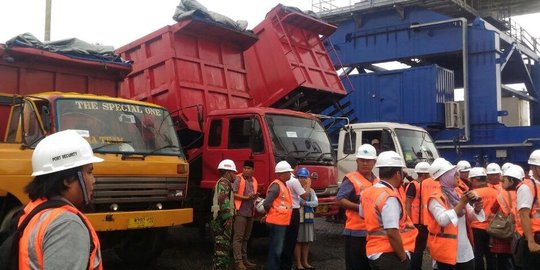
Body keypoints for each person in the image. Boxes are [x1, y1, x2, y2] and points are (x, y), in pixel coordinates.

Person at [19, 130, 103, 269]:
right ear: (68, 180)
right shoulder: (66, 224)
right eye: (89, 172)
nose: (93, 180)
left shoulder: (34, 211)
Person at [360, 151, 418, 270]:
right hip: (389, 254)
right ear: (398, 173)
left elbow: (362, 214)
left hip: (374, 251)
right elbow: (392, 232)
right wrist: (402, 257)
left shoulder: (367, 191)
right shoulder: (389, 197)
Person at [426, 158, 485, 270]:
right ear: (445, 177)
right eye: (454, 174)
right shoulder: (435, 198)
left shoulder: (458, 193)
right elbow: (442, 220)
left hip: (465, 251)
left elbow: (469, 215)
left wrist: (477, 209)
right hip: (446, 253)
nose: (458, 177)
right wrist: (462, 203)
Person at [336, 144, 378, 270]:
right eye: (362, 160)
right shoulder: (351, 179)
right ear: (357, 161)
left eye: (368, 160)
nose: (365, 163)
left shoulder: (377, 181)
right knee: (356, 265)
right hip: (355, 232)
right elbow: (339, 199)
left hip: (373, 231)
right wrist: (359, 208)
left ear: (374, 162)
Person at [263, 161, 294, 270]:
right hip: (277, 222)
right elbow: (266, 203)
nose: (290, 174)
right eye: (288, 172)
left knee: (276, 248)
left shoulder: (283, 185)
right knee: (276, 249)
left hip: (280, 222)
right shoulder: (277, 186)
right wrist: (270, 214)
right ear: (281, 174)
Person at [492, 165, 523, 270]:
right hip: (519, 232)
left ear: (511, 180)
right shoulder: (526, 191)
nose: (501, 182)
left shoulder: (502, 194)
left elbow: (493, 209)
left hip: (504, 231)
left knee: (503, 261)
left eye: (504, 180)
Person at [282, 158, 311, 270]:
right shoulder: (293, 180)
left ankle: (285, 264)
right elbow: (305, 196)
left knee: (286, 239)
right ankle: (287, 265)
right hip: (293, 211)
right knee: (292, 240)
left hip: (285, 210)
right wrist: (308, 184)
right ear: (295, 167)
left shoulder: (283, 180)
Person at [468, 167, 498, 270]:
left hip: (476, 229)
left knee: (477, 256)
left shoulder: (472, 194)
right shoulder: (495, 192)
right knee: (491, 256)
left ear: (474, 180)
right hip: (492, 229)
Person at [211, 159, 237, 270]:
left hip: (221, 221)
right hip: (222, 222)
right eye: (234, 172)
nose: (235, 175)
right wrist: (228, 217)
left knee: (221, 251)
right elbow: (223, 201)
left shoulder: (224, 183)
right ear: (227, 172)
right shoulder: (224, 183)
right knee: (222, 252)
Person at [232, 160, 258, 270]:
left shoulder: (254, 181)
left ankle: (244, 259)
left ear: (253, 170)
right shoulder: (238, 178)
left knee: (246, 238)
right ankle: (238, 262)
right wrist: (247, 198)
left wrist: (255, 197)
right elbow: (233, 194)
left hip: (250, 213)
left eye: (248, 168)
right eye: (245, 168)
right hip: (240, 212)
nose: (246, 170)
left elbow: (252, 196)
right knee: (238, 237)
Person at [516, 150, 540, 269]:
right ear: (533, 168)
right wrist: (531, 241)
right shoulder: (527, 187)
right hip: (534, 237)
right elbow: (524, 215)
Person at [405, 161, 431, 270]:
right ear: (424, 175)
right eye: (428, 174)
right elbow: (408, 203)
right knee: (416, 250)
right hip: (415, 224)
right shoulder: (413, 185)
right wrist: (409, 222)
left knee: (419, 249)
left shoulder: (422, 185)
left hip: (423, 223)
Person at [294, 168, 318, 270]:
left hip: (308, 219)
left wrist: (305, 203)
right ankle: (298, 263)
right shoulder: (295, 190)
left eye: (304, 177)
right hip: (299, 219)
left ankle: (305, 262)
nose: (302, 180)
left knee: (307, 241)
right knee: (298, 242)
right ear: (297, 178)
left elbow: (316, 203)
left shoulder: (311, 191)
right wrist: (306, 202)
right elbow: (299, 200)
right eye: (300, 177)